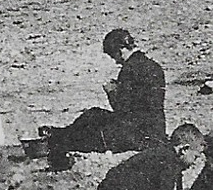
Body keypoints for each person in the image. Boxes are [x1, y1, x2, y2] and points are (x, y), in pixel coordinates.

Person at [43, 28, 166, 171]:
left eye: (114, 56)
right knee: (95, 115)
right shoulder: (153, 66)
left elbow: (122, 109)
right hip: (155, 130)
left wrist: (112, 92)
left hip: (136, 134)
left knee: (92, 120)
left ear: (120, 49)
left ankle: (58, 138)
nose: (115, 61)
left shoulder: (129, 70)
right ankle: (61, 133)